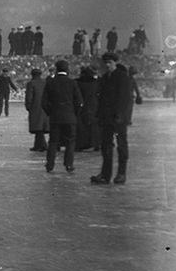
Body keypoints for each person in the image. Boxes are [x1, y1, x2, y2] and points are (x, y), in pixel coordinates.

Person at [91, 52, 131, 184]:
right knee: (106, 146)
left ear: (115, 63)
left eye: (110, 63)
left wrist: (120, 115)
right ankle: (106, 174)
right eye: (106, 63)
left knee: (121, 146)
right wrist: (99, 115)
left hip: (118, 118)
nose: (107, 65)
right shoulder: (104, 78)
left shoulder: (122, 77)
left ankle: (121, 174)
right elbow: (100, 99)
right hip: (106, 118)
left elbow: (125, 98)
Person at [42, 60, 83, 173]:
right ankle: (69, 164)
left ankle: (50, 165)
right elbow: (79, 101)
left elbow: (44, 102)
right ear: (67, 70)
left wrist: (50, 112)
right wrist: (75, 114)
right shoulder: (72, 83)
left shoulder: (50, 82)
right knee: (70, 141)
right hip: (70, 117)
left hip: (55, 117)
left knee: (53, 142)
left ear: (56, 69)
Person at [25, 68, 49, 152]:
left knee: (38, 127)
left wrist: (28, 106)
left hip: (35, 107)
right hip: (44, 107)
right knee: (41, 126)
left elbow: (29, 97)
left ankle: (42, 145)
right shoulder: (45, 82)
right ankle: (37, 145)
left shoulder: (31, 84)